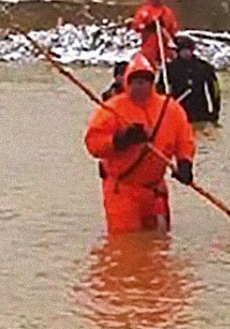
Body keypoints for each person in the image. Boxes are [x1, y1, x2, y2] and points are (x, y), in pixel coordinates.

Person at [83, 54, 195, 234]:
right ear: (127, 83)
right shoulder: (112, 109)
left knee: (160, 243)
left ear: (152, 83)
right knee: (125, 244)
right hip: (122, 191)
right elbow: (93, 144)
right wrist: (121, 140)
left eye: (144, 81)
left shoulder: (170, 109)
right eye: (135, 81)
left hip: (156, 190)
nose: (140, 86)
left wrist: (185, 163)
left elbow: (184, 139)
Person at [165, 36, 221, 125]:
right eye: (184, 50)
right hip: (177, 113)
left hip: (200, 114)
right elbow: (160, 91)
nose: (187, 53)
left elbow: (215, 91)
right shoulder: (168, 68)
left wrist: (215, 112)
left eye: (189, 49)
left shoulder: (204, 67)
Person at [130, 0, 180, 70]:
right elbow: (136, 27)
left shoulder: (167, 12)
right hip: (148, 42)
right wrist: (148, 26)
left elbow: (173, 28)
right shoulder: (144, 11)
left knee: (164, 64)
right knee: (148, 62)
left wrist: (164, 28)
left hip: (163, 44)